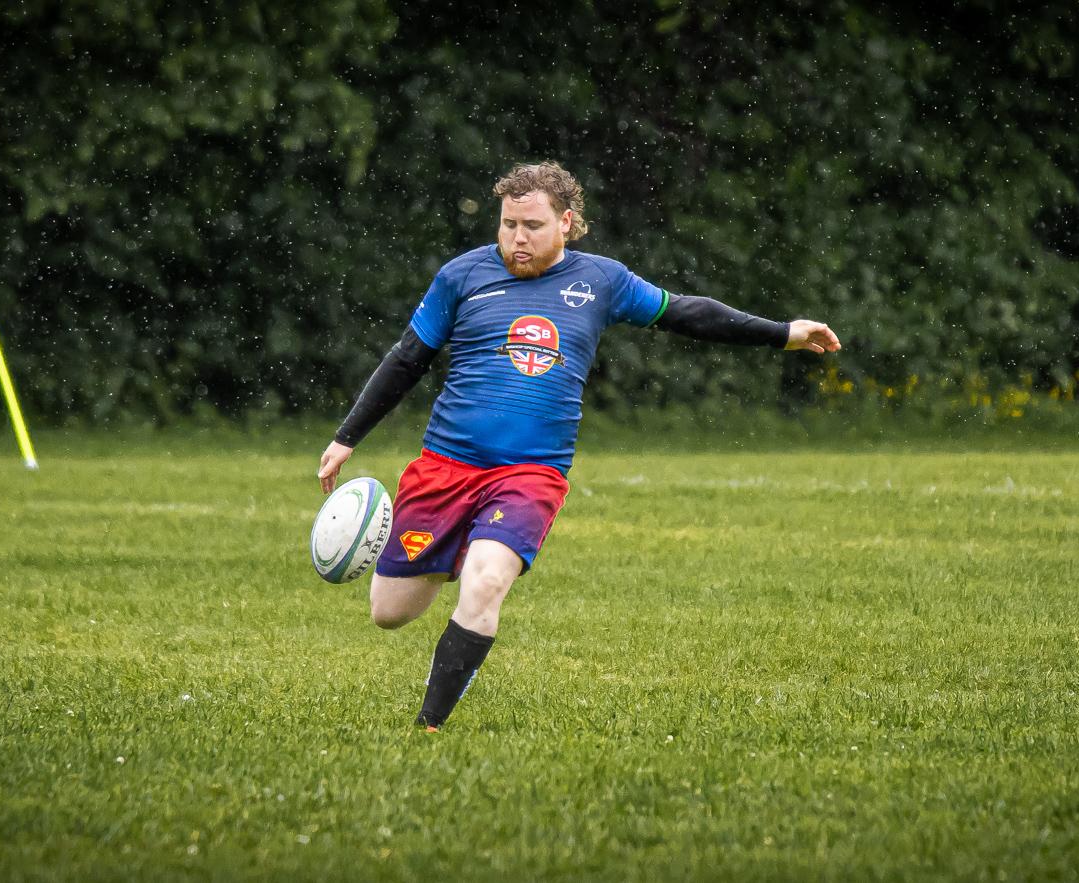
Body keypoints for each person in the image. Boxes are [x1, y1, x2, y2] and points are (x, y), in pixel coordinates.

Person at [317, 162, 840, 731]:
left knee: (488, 582)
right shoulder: (459, 277)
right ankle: (464, 546)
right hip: (444, 466)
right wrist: (347, 437)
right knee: (388, 613)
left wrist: (782, 332)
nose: (518, 237)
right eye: (509, 224)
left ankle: (428, 726)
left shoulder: (602, 281)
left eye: (533, 225)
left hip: (529, 475)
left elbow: (686, 311)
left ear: (567, 223)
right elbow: (406, 360)